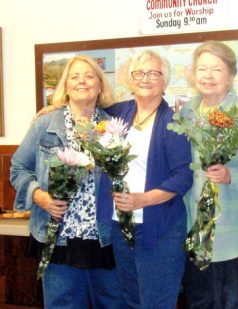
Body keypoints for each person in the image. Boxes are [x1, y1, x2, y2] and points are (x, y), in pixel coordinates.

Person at [10, 55, 122, 308]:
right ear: (66, 86)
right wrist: (39, 195)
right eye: (75, 76)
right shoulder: (45, 124)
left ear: (100, 85)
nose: (82, 81)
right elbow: (18, 168)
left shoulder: (115, 126)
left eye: (89, 75)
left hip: (105, 239)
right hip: (59, 239)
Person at [101, 50, 193, 308]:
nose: (145, 79)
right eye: (139, 73)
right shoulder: (117, 113)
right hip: (120, 225)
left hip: (159, 227)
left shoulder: (175, 121)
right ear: (130, 79)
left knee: (156, 301)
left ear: (165, 81)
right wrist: (53, 107)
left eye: (154, 73)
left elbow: (184, 176)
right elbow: (84, 107)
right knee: (129, 299)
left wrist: (144, 200)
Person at [180, 41, 238, 309]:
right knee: (197, 301)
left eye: (217, 69)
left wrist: (231, 175)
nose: (208, 75)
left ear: (231, 76)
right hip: (193, 229)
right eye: (202, 69)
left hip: (232, 232)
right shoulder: (186, 112)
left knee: (230, 302)